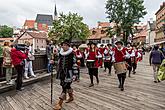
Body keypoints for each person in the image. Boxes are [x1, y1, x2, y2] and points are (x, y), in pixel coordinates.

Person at [54, 40, 78, 110]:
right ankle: (71, 97)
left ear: (68, 46)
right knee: (65, 85)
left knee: (65, 86)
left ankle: (59, 104)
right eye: (63, 45)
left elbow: (74, 64)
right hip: (62, 73)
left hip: (69, 73)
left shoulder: (72, 53)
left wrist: (75, 74)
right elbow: (59, 62)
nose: (63, 46)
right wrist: (54, 62)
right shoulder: (61, 54)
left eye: (65, 45)